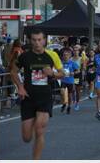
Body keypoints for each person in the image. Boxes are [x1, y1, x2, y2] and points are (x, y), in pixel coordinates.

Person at [10, 29, 64, 160]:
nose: (37, 43)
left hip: (44, 97)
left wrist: (52, 74)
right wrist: (20, 87)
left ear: (44, 40)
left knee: (39, 130)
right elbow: (13, 72)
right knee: (27, 137)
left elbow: (62, 73)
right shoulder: (24, 56)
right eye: (34, 40)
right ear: (30, 40)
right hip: (28, 98)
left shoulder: (52, 55)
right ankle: (33, 120)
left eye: (40, 40)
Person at [60, 48, 79, 114]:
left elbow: (78, 70)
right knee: (62, 92)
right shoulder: (61, 62)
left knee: (69, 95)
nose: (65, 56)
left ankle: (69, 107)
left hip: (70, 81)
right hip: (63, 80)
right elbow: (58, 70)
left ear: (69, 56)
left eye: (67, 55)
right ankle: (64, 103)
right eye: (64, 55)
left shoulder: (72, 63)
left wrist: (73, 73)